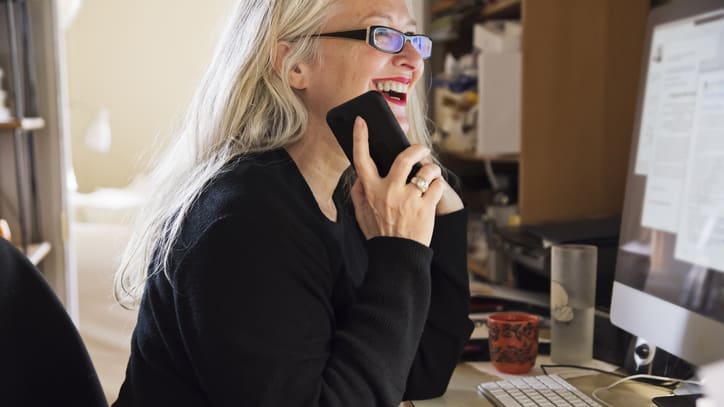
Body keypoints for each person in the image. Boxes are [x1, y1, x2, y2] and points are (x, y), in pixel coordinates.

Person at [113, 0, 473, 405]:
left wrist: (446, 214)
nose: (412, 60)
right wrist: (399, 253)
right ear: (294, 63)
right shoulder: (246, 221)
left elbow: (420, 371)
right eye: (384, 34)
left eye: (412, 37)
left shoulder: (345, 197)